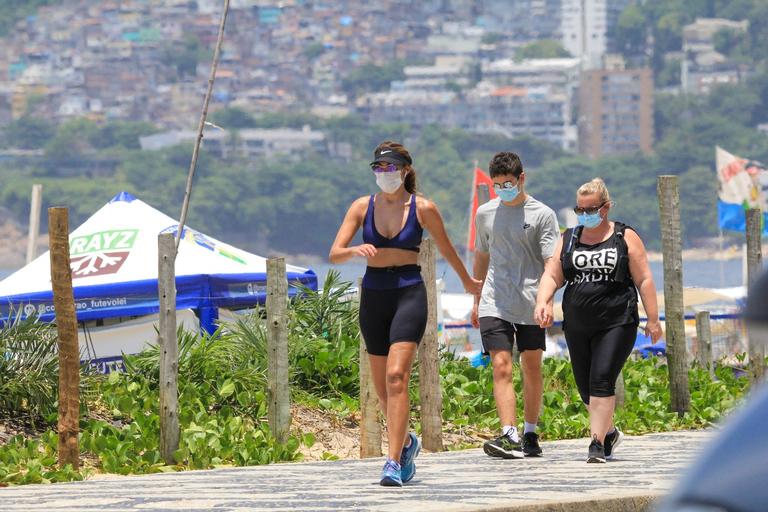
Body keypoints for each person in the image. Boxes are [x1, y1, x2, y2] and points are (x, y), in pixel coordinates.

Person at [329, 141, 482, 486]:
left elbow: (446, 249)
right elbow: (335, 253)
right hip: (374, 293)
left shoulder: (423, 208)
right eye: (378, 169)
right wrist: (354, 249)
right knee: (384, 388)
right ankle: (408, 442)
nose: (384, 175)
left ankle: (393, 461)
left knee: (397, 377)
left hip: (409, 292)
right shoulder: (361, 206)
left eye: (390, 168)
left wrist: (468, 283)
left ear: (405, 170)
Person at [534, 178, 663, 463]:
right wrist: (543, 301)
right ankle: (610, 431)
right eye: (580, 209)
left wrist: (652, 318)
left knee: (602, 379)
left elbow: (643, 278)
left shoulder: (624, 236)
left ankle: (596, 444)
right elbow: (553, 274)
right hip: (578, 323)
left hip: (617, 320)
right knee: (585, 388)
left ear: (605, 207)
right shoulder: (569, 238)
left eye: (591, 209)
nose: (585, 214)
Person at [471, 152, 559, 459]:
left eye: (508, 183)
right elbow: (482, 255)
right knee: (501, 364)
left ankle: (530, 431)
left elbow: (551, 262)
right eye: (497, 185)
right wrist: (476, 298)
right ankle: (508, 433)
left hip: (531, 301)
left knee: (531, 366)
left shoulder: (542, 214)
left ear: (521, 179)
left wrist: (546, 300)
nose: (502, 189)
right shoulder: (484, 213)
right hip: (494, 299)